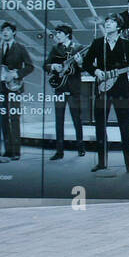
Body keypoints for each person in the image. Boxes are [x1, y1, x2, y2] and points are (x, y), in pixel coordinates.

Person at [83, 15, 129, 175]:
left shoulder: (127, 45)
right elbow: (86, 63)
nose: (107, 23)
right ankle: (102, 163)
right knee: (100, 126)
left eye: (111, 22)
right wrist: (96, 71)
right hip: (102, 89)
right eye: (106, 21)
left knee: (126, 127)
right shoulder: (97, 43)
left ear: (119, 26)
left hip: (121, 90)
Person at [0, 21, 35, 163]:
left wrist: (16, 74)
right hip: (1, 87)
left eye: (8, 30)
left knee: (14, 118)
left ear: (14, 32)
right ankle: (8, 150)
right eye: (3, 30)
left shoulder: (20, 48)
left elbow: (30, 66)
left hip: (14, 86)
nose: (5, 32)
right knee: (3, 119)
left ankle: (16, 152)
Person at [45, 25, 86, 160]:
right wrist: (53, 66)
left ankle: (80, 147)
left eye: (59, 33)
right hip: (60, 88)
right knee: (59, 120)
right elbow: (45, 65)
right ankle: (59, 151)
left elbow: (85, 67)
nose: (57, 35)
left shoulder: (78, 48)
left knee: (77, 119)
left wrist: (80, 63)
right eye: (56, 33)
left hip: (74, 89)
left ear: (68, 34)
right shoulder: (55, 48)